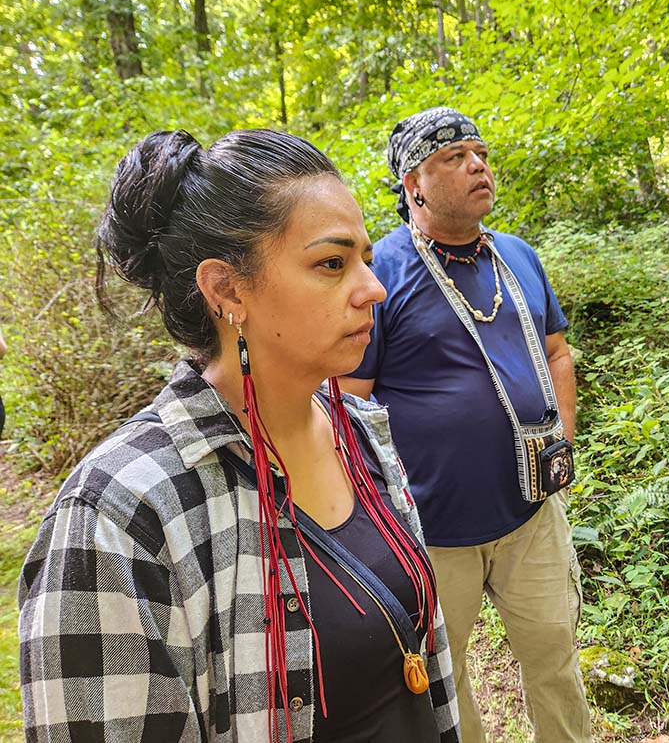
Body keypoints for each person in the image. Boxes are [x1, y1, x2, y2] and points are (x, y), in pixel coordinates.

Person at [19, 129, 461, 743]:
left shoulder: (361, 435)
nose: (373, 289)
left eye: (364, 258)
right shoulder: (122, 516)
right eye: (332, 264)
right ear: (227, 290)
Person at [340, 107, 592, 743]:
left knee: (556, 660)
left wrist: (561, 429)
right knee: (442, 683)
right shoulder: (381, 274)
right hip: (429, 530)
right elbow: (347, 397)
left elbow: (556, 349)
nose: (477, 164)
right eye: (454, 157)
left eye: (479, 152)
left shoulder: (518, 256)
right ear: (413, 184)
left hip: (533, 514)